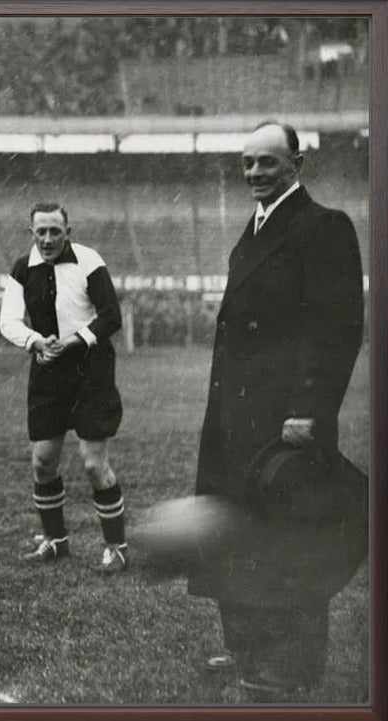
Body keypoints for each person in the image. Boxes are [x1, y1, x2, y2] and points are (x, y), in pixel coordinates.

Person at [188, 121, 365, 701]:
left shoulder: (324, 227)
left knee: (290, 537)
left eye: (267, 162)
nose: (255, 174)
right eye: (247, 164)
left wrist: (307, 411)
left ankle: (292, 666)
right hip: (238, 417)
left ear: (298, 163)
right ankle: (248, 647)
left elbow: (336, 329)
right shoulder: (255, 227)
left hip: (285, 420)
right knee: (238, 529)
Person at [0, 201, 127, 574]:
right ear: (32, 233)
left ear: (68, 232)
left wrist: (73, 341)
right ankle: (55, 542)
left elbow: (111, 317)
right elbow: (8, 320)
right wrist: (36, 342)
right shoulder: (23, 269)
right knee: (42, 462)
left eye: (56, 231)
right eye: (42, 231)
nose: (49, 238)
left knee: (92, 464)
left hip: (91, 370)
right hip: (47, 369)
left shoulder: (89, 261)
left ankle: (115, 547)